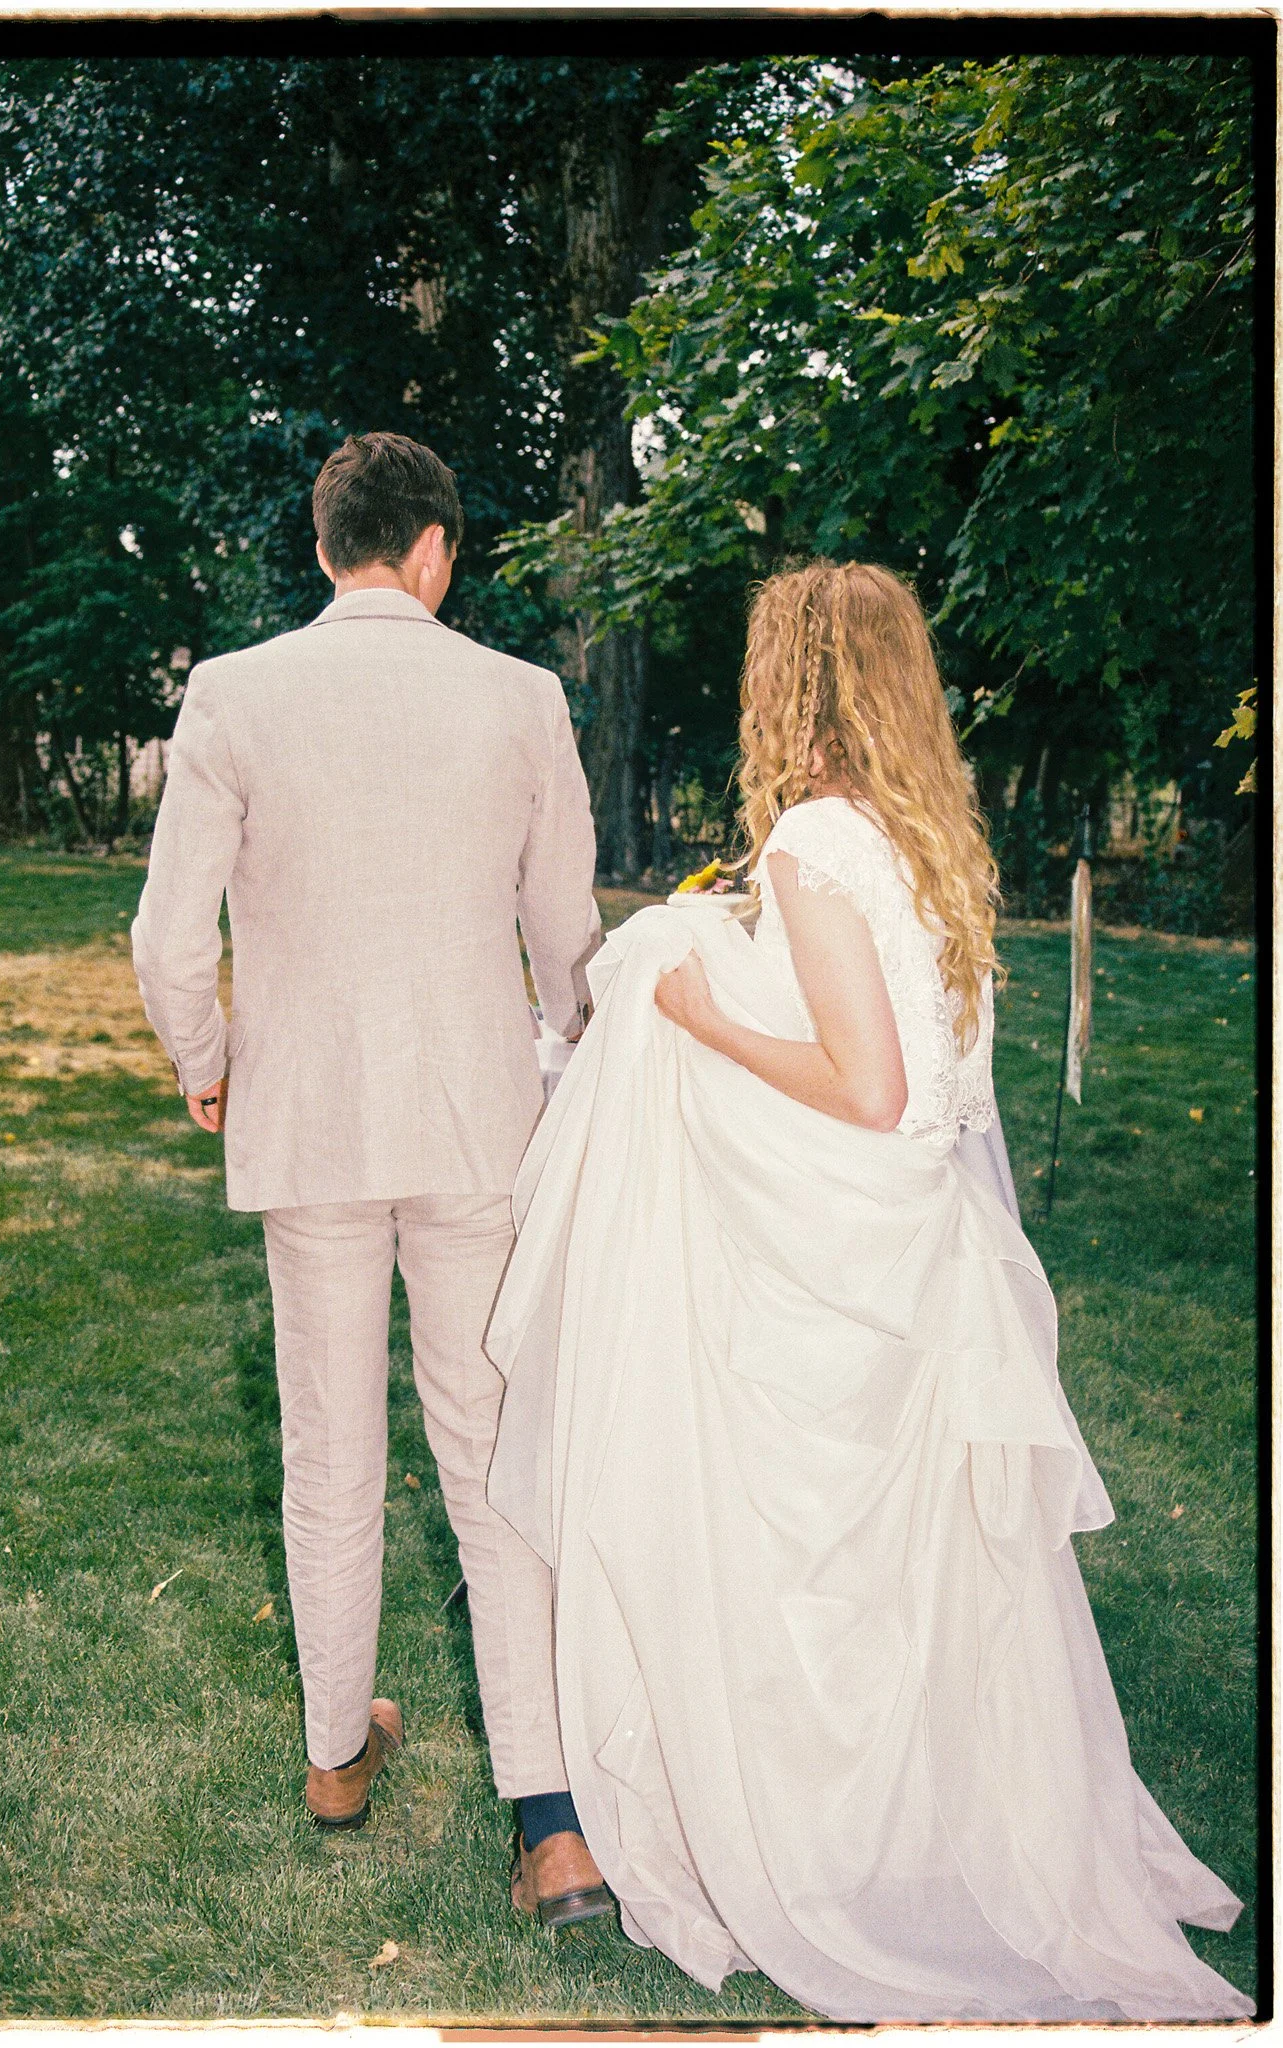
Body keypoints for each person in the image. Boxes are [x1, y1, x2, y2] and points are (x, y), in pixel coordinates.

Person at [485, 559, 1253, 2019]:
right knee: (919, 1593)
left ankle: (826, 1851)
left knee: (808, 1585)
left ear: (794, 686)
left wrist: (700, 1010)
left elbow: (865, 1081)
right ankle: (935, 1840)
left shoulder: (815, 846)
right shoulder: (922, 839)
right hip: (917, 1249)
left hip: (842, 1264)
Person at [132, 431, 614, 1927]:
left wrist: (206, 1058)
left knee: (328, 1449)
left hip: (312, 1132)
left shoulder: (234, 691)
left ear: (332, 546)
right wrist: (575, 1059)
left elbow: (166, 939)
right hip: (474, 1127)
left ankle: (336, 1759)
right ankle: (553, 1828)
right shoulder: (519, 698)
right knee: (488, 1462)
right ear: (434, 552)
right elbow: (564, 935)